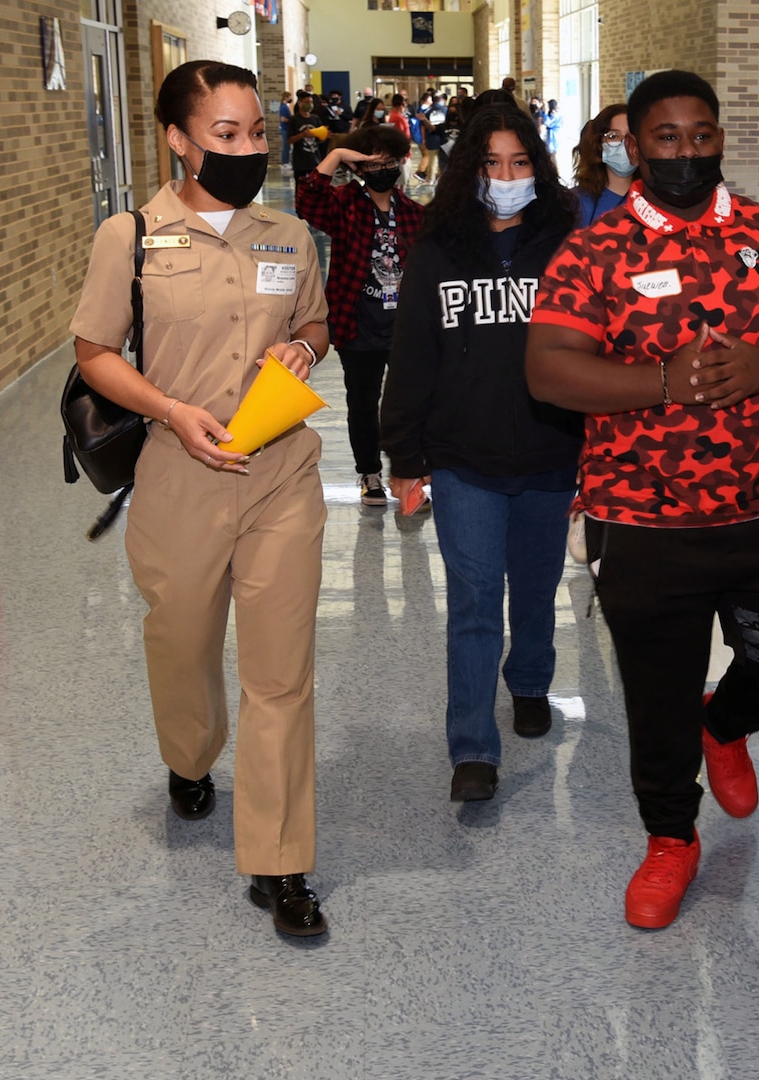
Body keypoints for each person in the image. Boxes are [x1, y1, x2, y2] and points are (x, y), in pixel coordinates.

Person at [526, 69, 759, 930]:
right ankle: (671, 839)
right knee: (656, 695)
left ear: (718, 137)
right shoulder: (595, 250)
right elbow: (548, 369)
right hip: (642, 516)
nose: (685, 151)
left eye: (700, 134)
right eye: (665, 138)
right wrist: (661, 381)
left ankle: (727, 722)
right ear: (632, 144)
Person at [69, 60, 332, 938]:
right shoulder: (131, 237)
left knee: (280, 676)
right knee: (181, 642)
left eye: (257, 132)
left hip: (279, 473)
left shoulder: (289, 238)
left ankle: (281, 859)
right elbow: (95, 350)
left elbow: (315, 326)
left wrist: (302, 351)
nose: (248, 148)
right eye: (226, 134)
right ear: (178, 139)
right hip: (178, 476)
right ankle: (188, 758)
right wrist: (170, 411)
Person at [381, 104, 582, 801]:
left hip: (551, 452)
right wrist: (403, 453)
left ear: (539, 168)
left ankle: (528, 678)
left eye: (520, 163)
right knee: (472, 599)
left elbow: (599, 349)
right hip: (463, 458)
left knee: (534, 587)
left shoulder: (567, 245)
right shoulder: (439, 250)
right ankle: (472, 747)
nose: (505, 177)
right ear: (469, 171)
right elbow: (411, 356)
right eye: (491, 164)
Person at [296, 123, 424, 506]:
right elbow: (308, 202)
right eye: (372, 164)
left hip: (405, 329)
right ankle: (369, 472)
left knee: (407, 404)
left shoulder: (414, 214)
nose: (382, 170)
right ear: (359, 168)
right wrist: (334, 156)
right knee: (363, 403)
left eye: (389, 162)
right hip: (358, 325)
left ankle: (409, 475)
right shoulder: (344, 204)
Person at [572, 104, 633, 226]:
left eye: (630, 136)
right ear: (599, 143)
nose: (624, 144)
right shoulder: (575, 201)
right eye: (613, 136)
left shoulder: (655, 201)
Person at [286, 94, 326, 182]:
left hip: (315, 160)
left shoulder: (315, 119)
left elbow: (321, 139)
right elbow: (289, 140)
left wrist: (323, 134)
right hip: (300, 162)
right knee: (301, 187)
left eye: (311, 102)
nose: (310, 104)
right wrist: (302, 135)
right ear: (300, 103)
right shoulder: (294, 120)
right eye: (307, 102)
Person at [277, 91, 293, 166]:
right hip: (284, 129)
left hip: (286, 129)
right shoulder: (284, 107)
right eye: (290, 97)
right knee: (286, 146)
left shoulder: (285, 106)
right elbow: (283, 119)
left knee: (287, 146)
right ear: (286, 97)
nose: (291, 98)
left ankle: (286, 161)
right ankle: (285, 162)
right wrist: (291, 120)